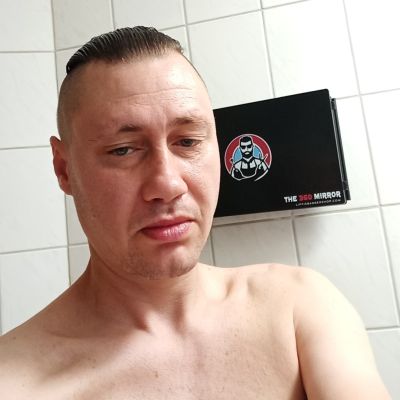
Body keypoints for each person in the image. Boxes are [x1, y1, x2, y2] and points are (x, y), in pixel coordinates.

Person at [0, 26, 390, 399]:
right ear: (64, 169)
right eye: (123, 150)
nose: (168, 184)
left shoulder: (298, 310)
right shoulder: (15, 382)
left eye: (187, 142)